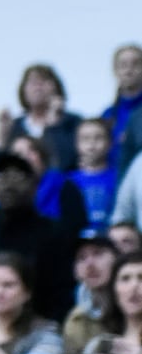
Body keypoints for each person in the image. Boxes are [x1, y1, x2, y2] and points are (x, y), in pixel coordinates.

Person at [0, 151, 77, 323]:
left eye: (17, 177)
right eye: (1, 177)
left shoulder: (53, 234)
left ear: (34, 186)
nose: (8, 185)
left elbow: (63, 293)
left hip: (38, 333)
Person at [0, 63, 82, 172]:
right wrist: (1, 133)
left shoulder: (73, 123)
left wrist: (55, 125)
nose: (38, 86)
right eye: (32, 82)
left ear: (57, 88)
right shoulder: (13, 126)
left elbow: (65, 163)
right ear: (23, 90)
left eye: (44, 81)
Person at [62, 231, 119, 354]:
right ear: (75, 272)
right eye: (81, 258)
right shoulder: (76, 321)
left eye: (98, 253)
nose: (90, 264)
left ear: (117, 258)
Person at [69, 118, 118, 231]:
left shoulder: (119, 178)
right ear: (76, 144)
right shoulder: (68, 181)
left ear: (110, 143)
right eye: (85, 139)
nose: (92, 143)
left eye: (98, 138)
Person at [103, 43, 142, 175]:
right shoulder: (108, 116)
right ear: (115, 71)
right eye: (123, 65)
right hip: (118, 182)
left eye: (135, 64)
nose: (129, 70)